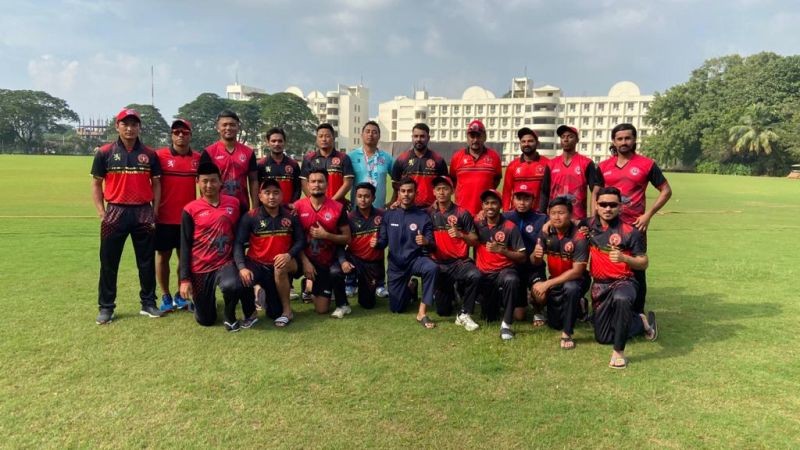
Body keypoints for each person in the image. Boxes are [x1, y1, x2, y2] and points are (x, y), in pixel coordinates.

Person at [92, 108, 163, 324]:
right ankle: (106, 307)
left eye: (134, 124)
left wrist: (155, 209)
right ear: (117, 126)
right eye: (125, 124)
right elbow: (96, 184)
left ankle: (148, 303)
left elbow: (157, 184)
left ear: (139, 127)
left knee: (146, 260)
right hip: (115, 210)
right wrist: (101, 212)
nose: (130, 128)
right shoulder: (104, 152)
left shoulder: (150, 154)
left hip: (143, 210)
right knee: (109, 262)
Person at [598, 123, 672, 313]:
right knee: (606, 264)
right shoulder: (604, 166)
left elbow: (666, 190)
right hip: (610, 225)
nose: (624, 142)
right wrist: (597, 220)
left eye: (628, 138)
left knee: (637, 268)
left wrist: (648, 215)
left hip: (635, 226)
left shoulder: (646, 164)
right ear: (613, 141)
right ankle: (606, 307)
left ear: (634, 140)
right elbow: (597, 194)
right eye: (620, 138)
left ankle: (638, 313)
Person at [586, 186, 658, 368]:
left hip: (624, 282)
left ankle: (618, 352)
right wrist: (547, 225)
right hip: (600, 286)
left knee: (622, 298)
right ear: (596, 205)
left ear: (620, 207)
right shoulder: (587, 226)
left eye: (612, 205)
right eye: (603, 204)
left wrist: (624, 258)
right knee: (603, 337)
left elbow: (644, 262)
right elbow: (565, 225)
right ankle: (640, 323)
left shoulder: (630, 231)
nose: (607, 208)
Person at [178, 163, 254, 332]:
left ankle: (229, 314)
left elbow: (242, 233)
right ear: (198, 182)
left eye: (213, 181)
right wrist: (184, 280)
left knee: (232, 285)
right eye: (204, 181)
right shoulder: (190, 209)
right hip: (200, 268)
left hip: (225, 263)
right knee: (206, 320)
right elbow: (184, 246)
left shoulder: (234, 203)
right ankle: (203, 304)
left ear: (221, 183)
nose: (209, 185)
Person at [234, 179, 305, 327]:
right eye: (267, 193)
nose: (271, 197)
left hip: (279, 265)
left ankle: (276, 304)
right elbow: (239, 243)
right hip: (256, 263)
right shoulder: (250, 217)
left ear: (282, 196)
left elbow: (301, 241)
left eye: (275, 193)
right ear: (260, 196)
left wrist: (289, 255)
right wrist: (242, 267)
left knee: (274, 312)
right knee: (242, 280)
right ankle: (250, 312)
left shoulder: (290, 216)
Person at [374, 178, 438, 328]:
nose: (406, 194)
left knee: (432, 268)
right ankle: (411, 286)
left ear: (416, 193)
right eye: (403, 191)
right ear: (398, 193)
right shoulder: (389, 215)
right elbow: (383, 241)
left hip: (415, 260)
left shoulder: (423, 216)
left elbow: (432, 244)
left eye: (410, 191)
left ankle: (422, 312)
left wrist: (426, 242)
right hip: (396, 265)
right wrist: (376, 243)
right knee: (397, 308)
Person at [530, 196, 590, 350]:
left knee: (571, 288)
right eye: (553, 213)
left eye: (561, 213)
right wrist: (536, 255)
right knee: (555, 324)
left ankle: (567, 333)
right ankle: (579, 305)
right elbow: (535, 262)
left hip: (577, 279)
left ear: (570, 214)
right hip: (556, 279)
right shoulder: (545, 232)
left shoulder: (579, 236)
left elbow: (578, 271)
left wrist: (547, 284)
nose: (557, 217)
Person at [153, 119, 200, 313]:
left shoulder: (198, 158)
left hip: (187, 218)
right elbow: (153, 185)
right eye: (177, 132)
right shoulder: (159, 156)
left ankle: (182, 295)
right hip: (163, 218)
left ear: (190, 135)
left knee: (185, 258)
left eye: (185, 132)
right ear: (172, 135)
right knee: (163, 256)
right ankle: (165, 296)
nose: (181, 135)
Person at [295, 169, 353, 318]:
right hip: (303, 259)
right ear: (307, 185)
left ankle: (310, 285)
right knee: (282, 264)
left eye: (320, 181)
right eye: (313, 181)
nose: (316, 185)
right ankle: (276, 301)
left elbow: (347, 238)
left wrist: (326, 235)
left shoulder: (338, 208)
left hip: (326, 261)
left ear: (327, 184)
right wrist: (305, 261)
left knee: (321, 309)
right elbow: (293, 239)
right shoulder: (297, 207)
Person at [427, 175, 482, 331]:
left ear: (452, 190)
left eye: (445, 188)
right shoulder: (428, 213)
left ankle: (464, 313)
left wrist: (461, 235)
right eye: (438, 189)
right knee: (443, 311)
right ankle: (454, 292)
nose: (442, 192)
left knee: (475, 275)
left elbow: (475, 240)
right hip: (438, 264)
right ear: (434, 192)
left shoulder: (462, 213)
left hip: (459, 262)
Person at [345, 121, 393, 298]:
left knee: (378, 245)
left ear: (379, 136)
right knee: (352, 244)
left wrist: (392, 201)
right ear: (362, 135)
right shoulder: (351, 156)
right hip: (356, 211)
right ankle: (350, 282)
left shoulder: (386, 158)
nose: (371, 134)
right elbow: (344, 180)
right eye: (367, 131)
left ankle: (380, 283)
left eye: (374, 132)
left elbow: (398, 179)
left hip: (378, 211)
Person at [474, 189, 527, 340]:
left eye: (494, 203)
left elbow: (522, 256)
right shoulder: (477, 222)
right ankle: (498, 301)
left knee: (511, 279)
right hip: (484, 274)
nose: (490, 207)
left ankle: (506, 325)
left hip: (505, 271)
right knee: (488, 317)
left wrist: (502, 250)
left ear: (501, 205)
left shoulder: (510, 227)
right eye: (486, 203)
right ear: (482, 206)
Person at [502, 184, 548, 326]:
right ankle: (524, 297)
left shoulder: (542, 219)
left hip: (534, 267)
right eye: (518, 198)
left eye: (526, 199)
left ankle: (538, 310)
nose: (522, 203)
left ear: (533, 200)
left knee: (541, 295)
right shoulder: (505, 217)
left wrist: (550, 222)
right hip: (514, 267)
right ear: (513, 199)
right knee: (519, 316)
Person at [200, 110, 258, 214]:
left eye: (232, 125)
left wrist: (255, 208)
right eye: (224, 125)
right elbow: (203, 182)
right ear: (218, 128)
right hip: (217, 207)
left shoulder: (248, 152)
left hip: (242, 207)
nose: (228, 128)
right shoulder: (209, 152)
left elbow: (253, 181)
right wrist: (205, 207)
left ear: (238, 127)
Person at [340, 182, 386, 310]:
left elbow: (387, 238)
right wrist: (343, 261)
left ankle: (366, 286)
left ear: (373, 198)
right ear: (355, 197)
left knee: (367, 304)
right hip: (354, 259)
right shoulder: (349, 218)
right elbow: (340, 244)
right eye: (359, 196)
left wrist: (379, 243)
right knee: (335, 270)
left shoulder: (382, 215)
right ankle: (341, 295)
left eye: (366, 196)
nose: (363, 200)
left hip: (372, 263)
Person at [450, 120, 503, 216]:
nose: (475, 140)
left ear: (485, 137)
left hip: (486, 214)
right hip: (461, 213)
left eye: (478, 136)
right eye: (472, 136)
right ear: (467, 137)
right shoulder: (457, 157)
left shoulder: (494, 157)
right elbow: (453, 181)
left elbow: (496, 180)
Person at [548, 125, 602, 220]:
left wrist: (594, 217)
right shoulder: (551, 164)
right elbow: (544, 191)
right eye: (563, 137)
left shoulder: (586, 162)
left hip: (578, 218)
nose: (566, 139)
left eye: (570, 136)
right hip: (555, 218)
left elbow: (595, 191)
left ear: (577, 140)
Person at [390, 123, 448, 209]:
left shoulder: (438, 160)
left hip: (431, 209)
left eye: (422, 136)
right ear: (412, 137)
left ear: (428, 138)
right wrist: (393, 202)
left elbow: (444, 186)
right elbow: (396, 186)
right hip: (406, 208)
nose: (418, 139)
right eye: (416, 136)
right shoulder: (401, 159)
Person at [300, 124, 354, 205]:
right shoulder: (308, 158)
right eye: (320, 136)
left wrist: (331, 202)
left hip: (337, 205)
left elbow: (347, 183)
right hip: (315, 206)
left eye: (327, 136)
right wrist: (315, 201)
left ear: (333, 138)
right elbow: (304, 183)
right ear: (317, 139)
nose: (324, 139)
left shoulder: (344, 158)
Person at [502, 127, 550, 213]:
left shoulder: (547, 163)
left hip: (539, 214)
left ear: (537, 143)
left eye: (530, 141)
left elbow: (551, 191)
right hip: (517, 214)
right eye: (523, 141)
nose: (526, 144)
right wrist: (505, 212)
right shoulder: (512, 165)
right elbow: (507, 192)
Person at [256, 127, 301, 209]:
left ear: (284, 142)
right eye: (273, 141)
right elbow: (257, 189)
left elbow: (297, 189)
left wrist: (293, 204)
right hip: (266, 210)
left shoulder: (293, 164)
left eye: (280, 141)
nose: (277, 144)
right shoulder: (261, 165)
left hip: (288, 210)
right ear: (268, 142)